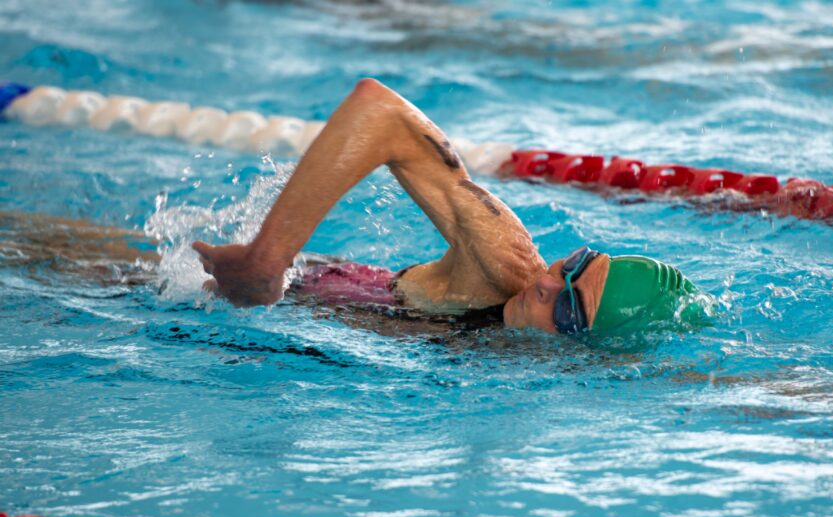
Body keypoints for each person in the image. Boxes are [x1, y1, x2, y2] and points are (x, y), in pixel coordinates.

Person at [193, 79, 710, 336]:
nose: (549, 283)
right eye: (576, 264)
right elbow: (381, 111)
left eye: (570, 308)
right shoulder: (502, 266)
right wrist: (268, 260)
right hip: (263, 295)